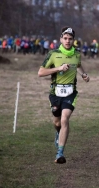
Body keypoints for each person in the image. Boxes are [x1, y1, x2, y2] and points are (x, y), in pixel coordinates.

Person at [38, 27, 90, 164]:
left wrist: (83, 74)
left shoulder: (77, 54)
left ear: (73, 40)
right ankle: (58, 133)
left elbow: (78, 65)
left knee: (65, 119)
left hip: (70, 93)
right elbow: (41, 72)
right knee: (57, 122)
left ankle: (60, 153)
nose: (67, 41)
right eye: (65, 38)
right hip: (55, 93)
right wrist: (58, 68)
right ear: (61, 39)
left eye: (70, 38)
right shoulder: (53, 54)